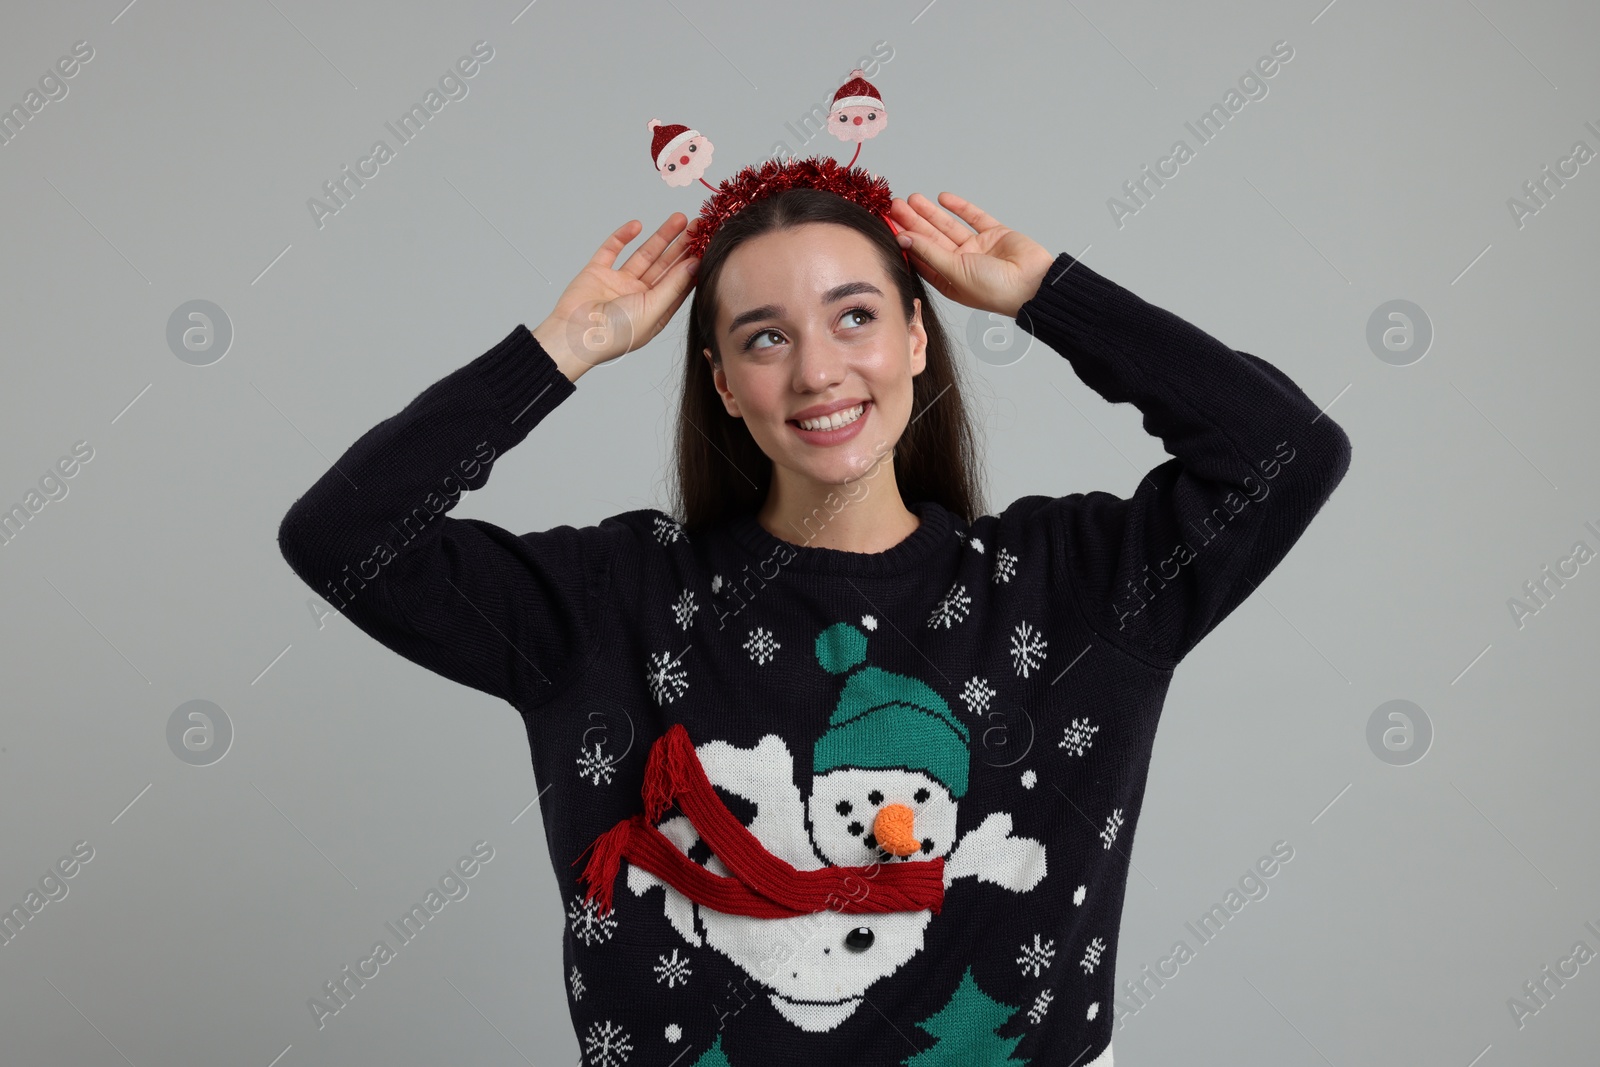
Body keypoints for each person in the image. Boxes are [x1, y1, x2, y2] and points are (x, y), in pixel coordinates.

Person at [277, 186, 1352, 1066]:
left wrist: (1047, 296)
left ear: (918, 335)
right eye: (763, 337)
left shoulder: (1067, 590)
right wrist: (562, 348)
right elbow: (341, 534)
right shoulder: (611, 603)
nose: (818, 370)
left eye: (855, 316)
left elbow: (1286, 452)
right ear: (724, 386)